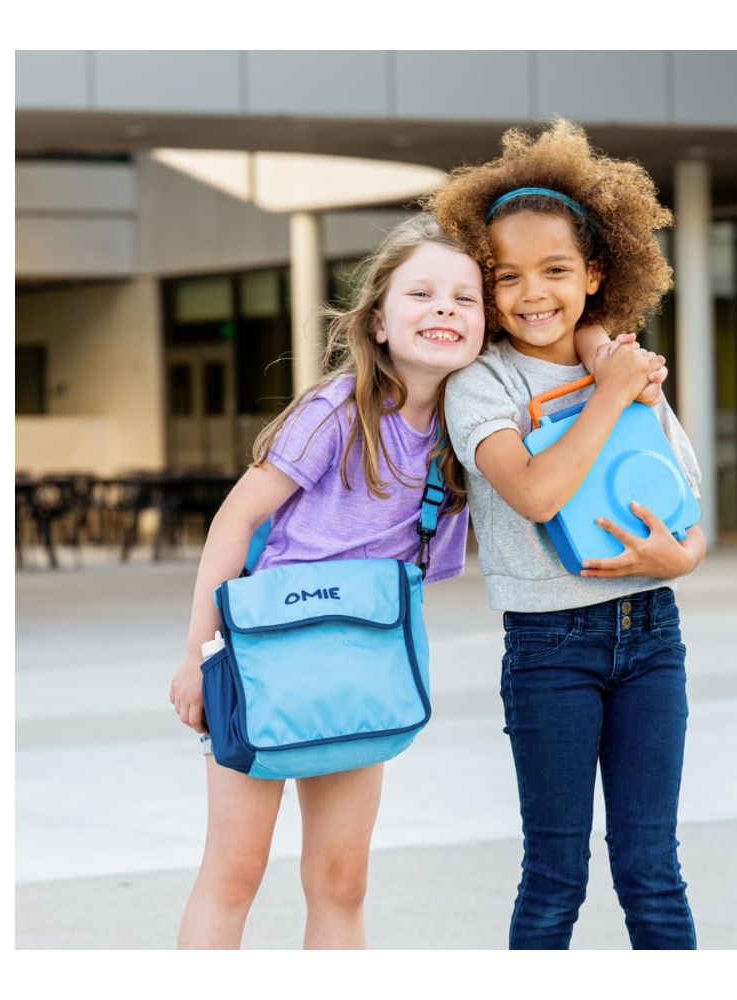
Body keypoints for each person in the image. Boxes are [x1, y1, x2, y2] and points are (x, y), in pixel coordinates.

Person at [167, 214, 486, 949]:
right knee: (235, 872)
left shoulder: (462, 435)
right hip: (260, 665)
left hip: (359, 671)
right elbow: (232, 521)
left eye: (465, 299)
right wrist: (197, 654)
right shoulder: (337, 409)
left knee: (342, 882)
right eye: (422, 293)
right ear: (377, 322)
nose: (444, 308)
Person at [426, 119, 707, 949]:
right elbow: (538, 494)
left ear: (594, 273)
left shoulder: (621, 364)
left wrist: (680, 560)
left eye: (554, 270)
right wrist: (611, 391)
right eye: (505, 276)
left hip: (653, 636)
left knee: (652, 868)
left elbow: (686, 511)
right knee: (555, 874)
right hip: (550, 649)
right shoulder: (481, 382)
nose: (531, 293)